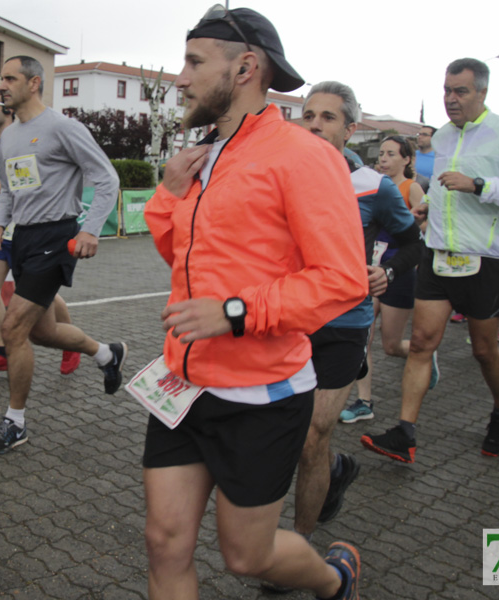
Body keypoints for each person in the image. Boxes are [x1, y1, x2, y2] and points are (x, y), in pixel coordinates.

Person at [142, 8, 366, 599]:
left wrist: (235, 311)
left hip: (261, 395)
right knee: (164, 543)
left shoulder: (304, 155)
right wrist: (168, 193)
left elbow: (342, 280)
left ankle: (334, 578)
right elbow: (180, 257)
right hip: (181, 383)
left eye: (194, 62)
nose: (181, 78)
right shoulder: (203, 153)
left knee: (247, 556)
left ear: (245, 67)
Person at [361, 58, 499, 463]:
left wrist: (479, 185)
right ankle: (404, 433)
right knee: (422, 343)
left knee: (483, 351)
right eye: (446, 90)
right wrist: (427, 207)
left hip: (485, 261)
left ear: (482, 92)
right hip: (438, 257)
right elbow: (446, 189)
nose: (451, 98)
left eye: (460, 91)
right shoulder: (441, 137)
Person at [292, 84, 422, 544]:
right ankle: (339, 468)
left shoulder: (373, 186)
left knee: (312, 436)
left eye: (327, 117)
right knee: (292, 435)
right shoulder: (280, 176)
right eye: (308, 115)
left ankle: (300, 546)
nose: (313, 125)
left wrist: (386, 271)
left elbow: (412, 243)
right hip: (289, 323)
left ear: (350, 129)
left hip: (345, 324)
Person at [0, 55, 126, 456]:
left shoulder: (62, 127)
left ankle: (15, 421)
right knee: (41, 332)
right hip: (23, 238)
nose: (2, 85)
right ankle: (107, 354)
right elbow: (9, 188)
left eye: (10, 78)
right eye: (1, 78)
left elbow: (105, 177)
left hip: (56, 236)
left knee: (12, 329)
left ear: (35, 83)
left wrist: (91, 227)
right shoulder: (8, 136)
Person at [0, 87, 81, 376]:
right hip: (5, 226)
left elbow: (37, 180)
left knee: (33, 294)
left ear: (8, 109)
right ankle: (1, 350)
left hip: (34, 229)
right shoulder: (1, 141)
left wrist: (4, 187)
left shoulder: (31, 134)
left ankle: (70, 342)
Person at [345, 135, 427, 424]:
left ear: (406, 159)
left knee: (391, 345)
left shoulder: (411, 188)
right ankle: (364, 401)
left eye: (391, 154)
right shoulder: (366, 183)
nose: (383, 159)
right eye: (381, 153)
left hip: (398, 268)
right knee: (365, 338)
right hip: (371, 268)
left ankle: (424, 355)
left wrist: (416, 218)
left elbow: (422, 226)